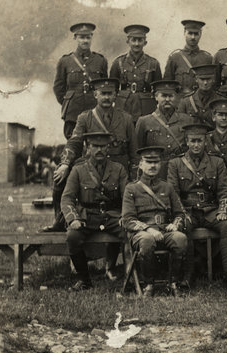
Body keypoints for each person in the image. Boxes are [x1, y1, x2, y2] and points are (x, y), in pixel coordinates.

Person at [48, 77, 136, 232]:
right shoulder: (85, 117)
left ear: (116, 95)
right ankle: (60, 220)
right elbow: (74, 142)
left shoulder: (126, 119)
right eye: (103, 93)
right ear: (95, 95)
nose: (107, 97)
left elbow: (134, 152)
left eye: (110, 93)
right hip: (91, 165)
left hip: (119, 168)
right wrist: (65, 164)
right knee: (60, 177)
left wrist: (135, 175)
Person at [167, 121, 227, 287]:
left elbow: (224, 190)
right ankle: (188, 275)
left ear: (206, 142)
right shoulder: (175, 164)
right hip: (188, 209)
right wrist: (182, 214)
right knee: (185, 226)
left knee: (226, 224)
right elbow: (173, 194)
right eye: (193, 141)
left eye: (200, 141)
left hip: (210, 210)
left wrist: (223, 210)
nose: (196, 145)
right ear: (187, 142)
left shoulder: (216, 162)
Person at [61, 129, 127, 289]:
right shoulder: (78, 170)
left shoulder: (118, 169)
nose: (99, 150)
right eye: (94, 146)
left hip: (112, 216)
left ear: (108, 148)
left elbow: (128, 197)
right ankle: (85, 280)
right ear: (87, 147)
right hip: (87, 216)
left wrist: (127, 216)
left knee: (130, 233)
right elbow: (67, 198)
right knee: (72, 237)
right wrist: (73, 218)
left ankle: (130, 279)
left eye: (103, 146)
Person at [121, 145, 190, 296]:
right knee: (147, 241)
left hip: (165, 230)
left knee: (180, 238)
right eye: (148, 162)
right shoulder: (131, 189)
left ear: (160, 164)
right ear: (140, 164)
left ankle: (174, 283)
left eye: (156, 162)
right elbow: (127, 219)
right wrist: (148, 229)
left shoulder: (167, 187)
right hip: (142, 233)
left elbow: (180, 213)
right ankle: (148, 285)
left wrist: (175, 224)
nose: (152, 165)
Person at [53, 22, 109, 139]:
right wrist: (67, 103)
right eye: (81, 37)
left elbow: (105, 87)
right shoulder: (65, 61)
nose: (85, 41)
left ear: (91, 38)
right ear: (75, 38)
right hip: (73, 112)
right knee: (73, 143)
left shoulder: (100, 61)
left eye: (88, 37)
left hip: (94, 109)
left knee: (96, 142)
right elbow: (58, 87)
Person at [133, 80, 193, 181]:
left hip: (181, 170)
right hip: (155, 170)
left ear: (176, 98)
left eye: (171, 96)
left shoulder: (187, 120)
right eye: (164, 96)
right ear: (156, 97)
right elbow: (137, 151)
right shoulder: (144, 121)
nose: (167, 99)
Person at [110, 24, 162, 121]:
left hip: (146, 107)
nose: (137, 44)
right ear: (128, 41)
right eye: (133, 40)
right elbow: (112, 89)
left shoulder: (153, 63)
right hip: (124, 106)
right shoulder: (118, 62)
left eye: (140, 40)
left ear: (145, 42)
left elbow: (158, 90)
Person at [164, 19, 213, 99]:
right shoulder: (175, 58)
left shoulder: (207, 58)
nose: (193, 37)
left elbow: (212, 85)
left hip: (201, 103)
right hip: (180, 102)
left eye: (196, 34)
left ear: (200, 34)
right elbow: (167, 87)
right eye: (190, 33)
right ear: (184, 33)